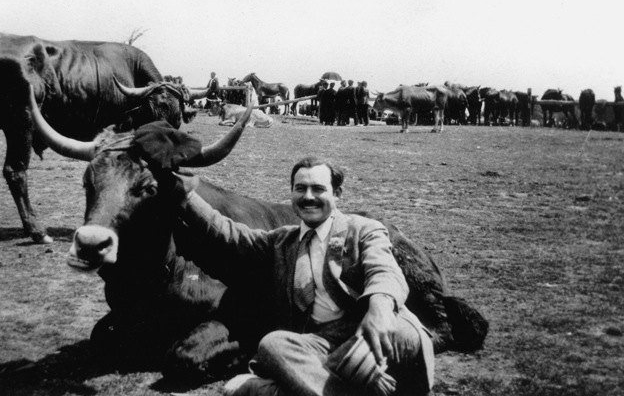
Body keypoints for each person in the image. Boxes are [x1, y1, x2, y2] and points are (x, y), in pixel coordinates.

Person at [175, 157, 434, 396]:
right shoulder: (281, 241)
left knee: (403, 332)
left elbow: (384, 270)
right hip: (319, 344)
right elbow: (229, 233)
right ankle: (346, 385)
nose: (309, 197)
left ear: (337, 194)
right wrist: (186, 194)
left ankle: (279, 389)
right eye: (300, 189)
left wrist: (380, 308)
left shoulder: (364, 229)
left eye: (318, 189)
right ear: (292, 193)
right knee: (272, 345)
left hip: (371, 332)